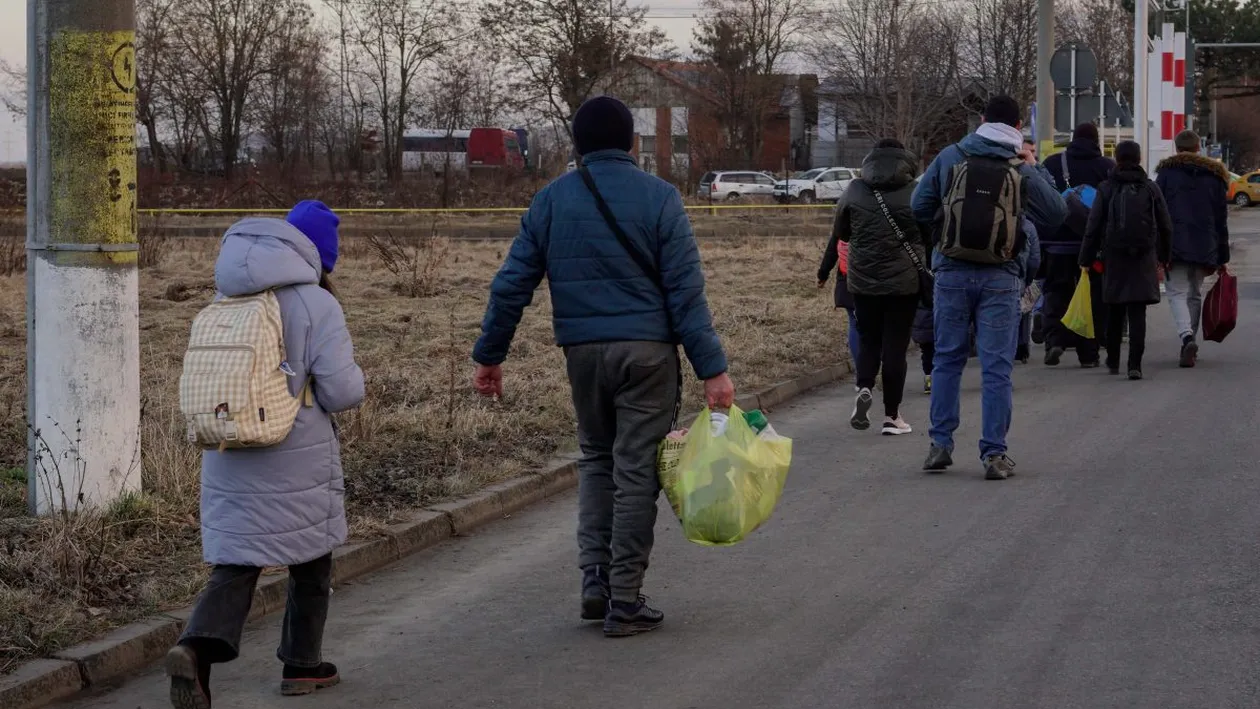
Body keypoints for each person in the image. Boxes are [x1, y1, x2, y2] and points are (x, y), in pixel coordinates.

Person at [471, 96, 734, 638]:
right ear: (632, 143)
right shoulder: (661, 198)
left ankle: (594, 580)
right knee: (637, 468)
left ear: (577, 144)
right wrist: (713, 369)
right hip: (648, 354)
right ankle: (625, 598)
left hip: (583, 353)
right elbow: (687, 294)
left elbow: (511, 283)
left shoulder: (549, 200)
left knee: (596, 459)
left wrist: (490, 356)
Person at [165, 201, 366, 707]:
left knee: (237, 560)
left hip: (228, 445)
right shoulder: (315, 303)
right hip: (294, 448)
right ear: (319, 256)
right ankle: (303, 666)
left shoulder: (226, 293)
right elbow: (342, 392)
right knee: (312, 559)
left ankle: (194, 649)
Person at [911, 95, 1067, 480]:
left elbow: (918, 205)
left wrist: (945, 230)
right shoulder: (1018, 164)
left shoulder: (951, 155)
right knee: (997, 366)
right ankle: (994, 454)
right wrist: (1034, 168)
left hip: (950, 272)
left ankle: (940, 445)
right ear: (1017, 126)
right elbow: (1058, 214)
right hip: (1001, 276)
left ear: (981, 120)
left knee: (948, 357)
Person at [827, 138, 927, 435]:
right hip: (903, 282)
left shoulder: (855, 189)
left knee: (868, 338)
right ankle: (892, 417)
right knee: (895, 347)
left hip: (862, 280)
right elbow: (929, 231)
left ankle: (864, 386)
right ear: (905, 160)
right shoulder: (915, 191)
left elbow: (841, 231)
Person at [1078, 141, 1173, 380]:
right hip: (1143, 256)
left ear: (1117, 159)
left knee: (1115, 307)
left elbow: (1093, 225)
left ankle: (1112, 359)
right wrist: (1164, 256)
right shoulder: (1151, 188)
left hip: (1114, 255)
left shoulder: (1106, 188)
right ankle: (1135, 365)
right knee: (1137, 310)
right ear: (1140, 159)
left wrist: (1086, 257)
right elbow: (1165, 225)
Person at [1040, 123, 1115, 368]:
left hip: (1055, 243)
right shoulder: (1106, 167)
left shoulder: (1052, 164)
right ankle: (1088, 354)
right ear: (1096, 141)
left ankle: (1055, 341)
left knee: (1055, 292)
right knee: (1091, 298)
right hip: (1092, 246)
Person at [1155, 129, 1230, 368]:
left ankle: (1186, 336)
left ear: (1176, 148)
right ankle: (1190, 343)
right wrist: (1222, 255)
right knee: (1194, 293)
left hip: (1173, 243)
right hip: (1204, 244)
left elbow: (1158, 213)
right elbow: (1221, 218)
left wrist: (1158, 250)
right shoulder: (1216, 176)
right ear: (1199, 148)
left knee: (1176, 293)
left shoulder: (1166, 175)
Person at [817, 232, 861, 374]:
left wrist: (823, 274)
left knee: (855, 324)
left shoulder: (844, 217)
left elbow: (832, 248)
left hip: (847, 280)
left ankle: (861, 371)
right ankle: (875, 366)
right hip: (875, 280)